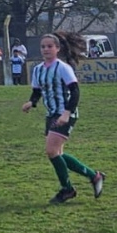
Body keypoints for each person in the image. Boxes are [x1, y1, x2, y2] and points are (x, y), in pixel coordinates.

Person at [21, 31, 106, 204]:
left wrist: (67, 112)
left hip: (66, 113)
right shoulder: (37, 69)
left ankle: (67, 189)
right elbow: (37, 91)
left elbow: (75, 91)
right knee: (57, 153)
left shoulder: (63, 68)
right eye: (43, 46)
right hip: (51, 114)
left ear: (58, 49)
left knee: (51, 151)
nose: (46, 49)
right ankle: (94, 176)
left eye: (50, 46)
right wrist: (32, 102)